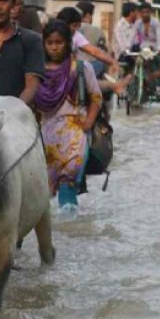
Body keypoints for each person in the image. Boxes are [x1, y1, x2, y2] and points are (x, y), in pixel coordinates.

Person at [35, 20, 103, 212]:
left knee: (68, 181)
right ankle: (59, 232)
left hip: (75, 134)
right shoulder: (36, 72)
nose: (54, 47)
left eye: (59, 42)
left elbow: (96, 98)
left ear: (67, 43)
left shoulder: (81, 69)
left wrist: (89, 122)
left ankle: (71, 232)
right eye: (50, 43)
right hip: (46, 136)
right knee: (45, 192)